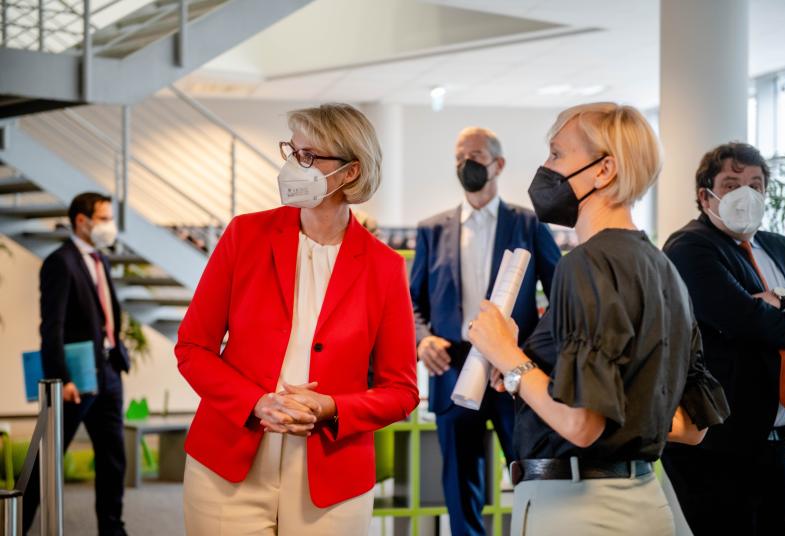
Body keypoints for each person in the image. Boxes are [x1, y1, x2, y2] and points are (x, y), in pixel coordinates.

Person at [467, 103, 729, 535]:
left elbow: (582, 424)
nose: (545, 168)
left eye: (556, 154)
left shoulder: (586, 265)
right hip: (643, 502)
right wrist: (528, 375)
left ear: (603, 170)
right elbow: (691, 425)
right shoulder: (663, 269)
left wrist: (508, 355)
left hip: (578, 510)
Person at [176, 103, 419, 536]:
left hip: (332, 477)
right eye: (292, 152)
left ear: (349, 172)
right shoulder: (244, 236)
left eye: (308, 156)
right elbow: (193, 348)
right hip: (228, 467)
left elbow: (400, 391)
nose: (293, 166)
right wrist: (257, 402)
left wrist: (331, 408)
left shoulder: (384, 267)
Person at [409, 126, 561, 536]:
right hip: (453, 369)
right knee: (461, 489)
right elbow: (413, 301)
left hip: (514, 372)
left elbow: (562, 296)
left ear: (499, 164)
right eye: (460, 157)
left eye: (475, 155)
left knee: (531, 481)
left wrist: (524, 350)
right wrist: (422, 338)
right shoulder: (431, 229)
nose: (466, 164)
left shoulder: (528, 223)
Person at [660, 142, 785, 535]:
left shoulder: (781, 247)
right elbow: (744, 321)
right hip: (715, 439)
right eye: (731, 183)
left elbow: (760, 317)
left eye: (756, 184)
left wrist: (780, 298)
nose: (747, 194)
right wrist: (772, 313)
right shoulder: (690, 247)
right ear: (705, 195)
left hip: (770, 435)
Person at [23, 192, 129, 535]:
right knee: (48, 459)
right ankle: (16, 523)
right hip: (75, 380)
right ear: (81, 221)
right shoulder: (60, 262)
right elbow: (51, 326)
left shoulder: (102, 260)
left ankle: (112, 529)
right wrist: (60, 378)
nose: (110, 226)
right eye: (104, 218)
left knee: (113, 459)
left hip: (109, 372)